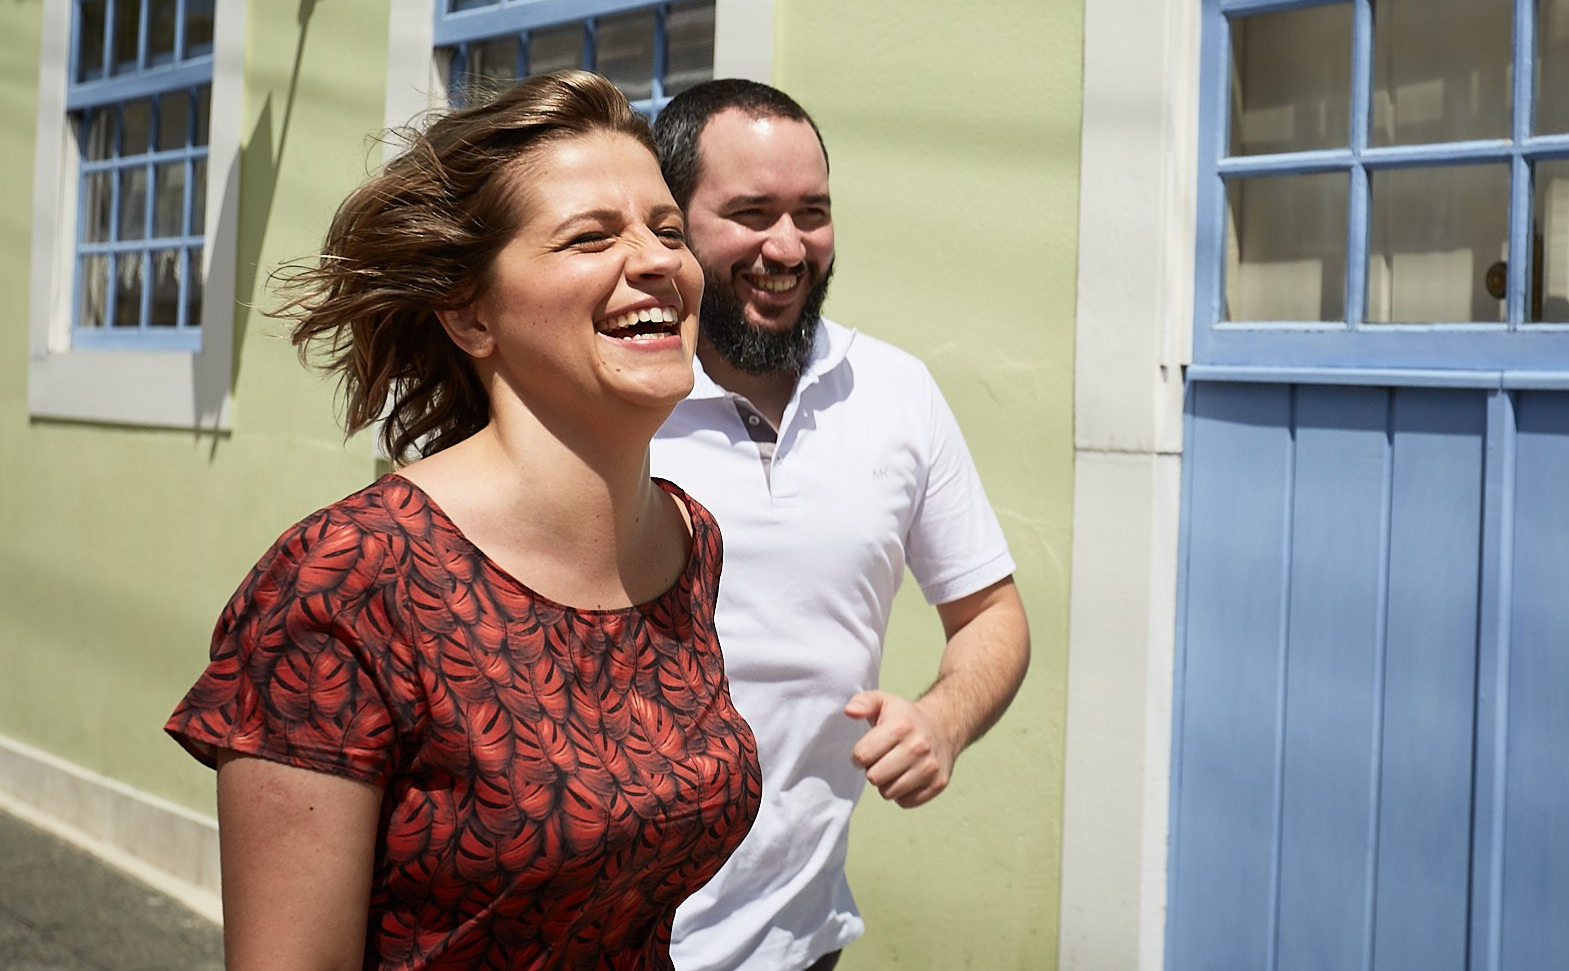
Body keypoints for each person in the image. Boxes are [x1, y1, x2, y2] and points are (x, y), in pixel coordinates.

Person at [165, 71, 761, 970]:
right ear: (469, 313)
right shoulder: (345, 580)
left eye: (667, 229)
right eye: (591, 236)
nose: (658, 260)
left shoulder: (686, 539)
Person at [648, 80, 1031, 971]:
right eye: (750, 212)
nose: (787, 246)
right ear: (674, 226)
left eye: (811, 212)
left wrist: (942, 719)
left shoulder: (896, 392)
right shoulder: (617, 396)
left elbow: (992, 614)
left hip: (800, 938)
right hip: (614, 941)